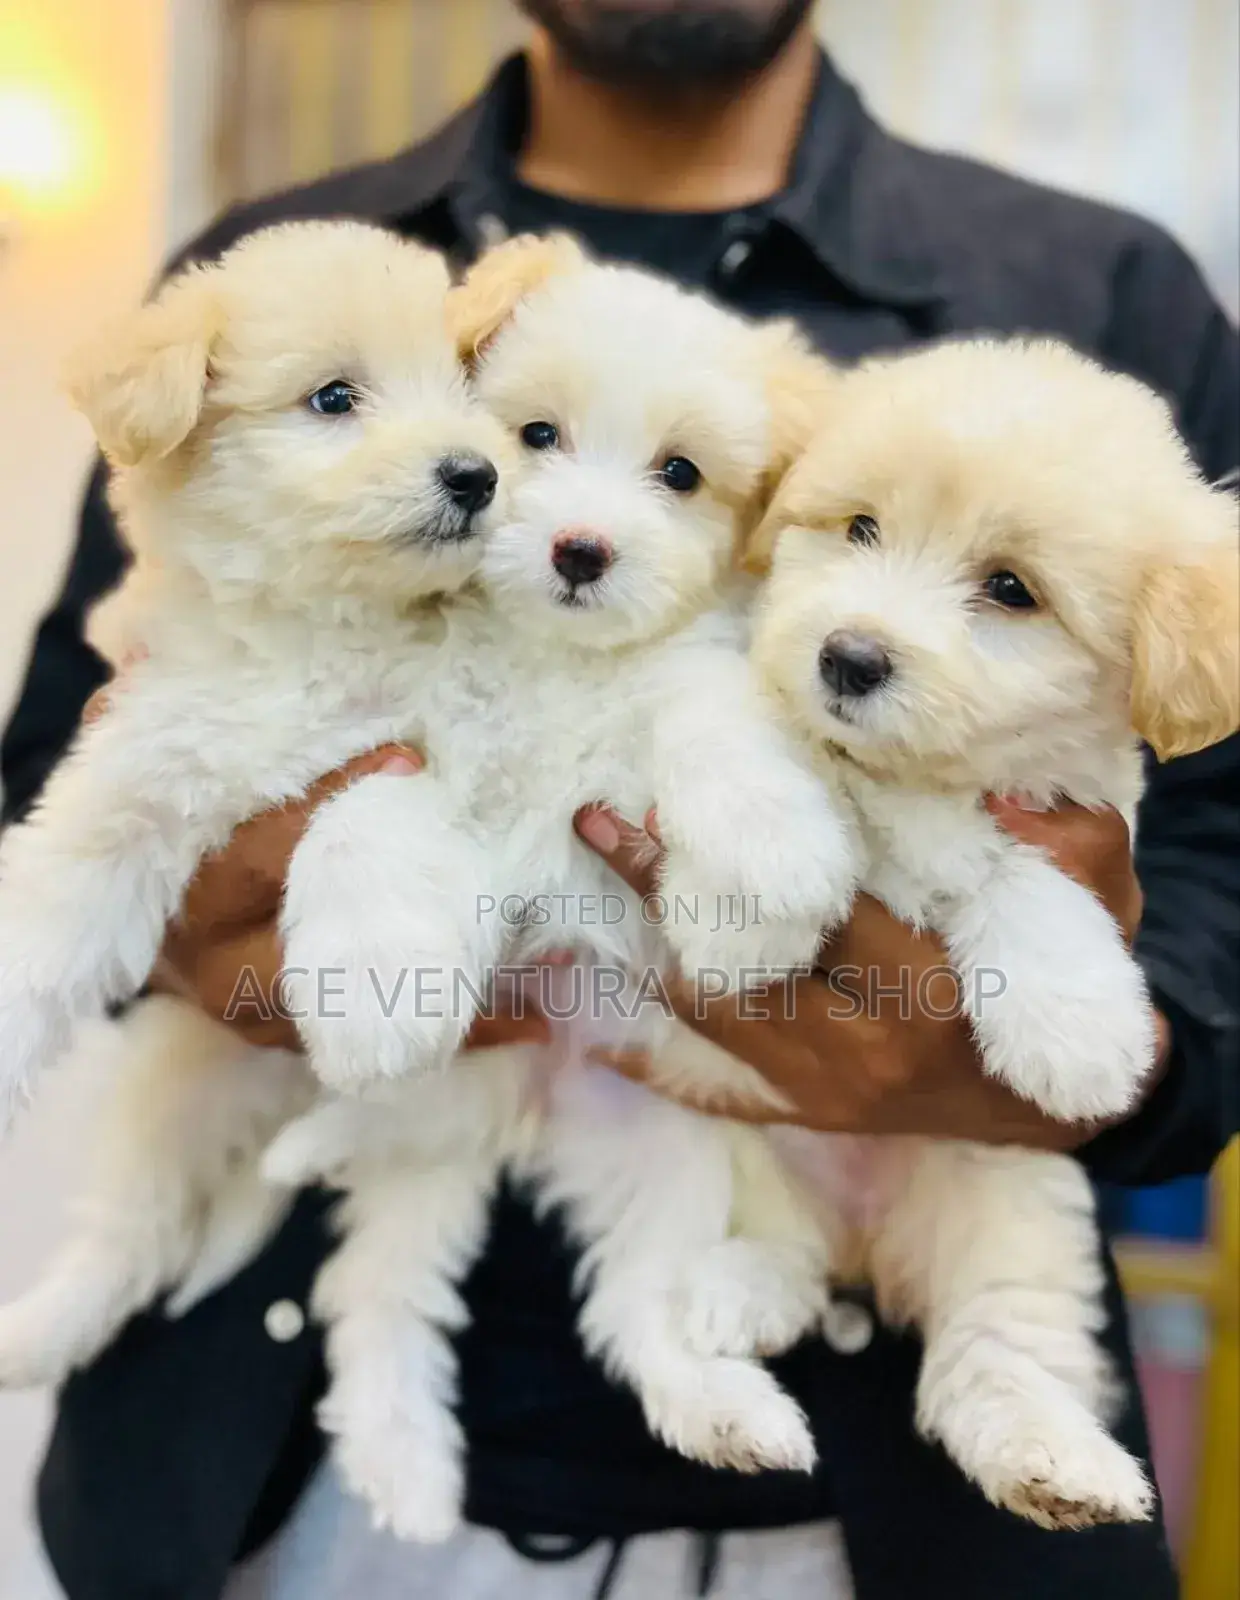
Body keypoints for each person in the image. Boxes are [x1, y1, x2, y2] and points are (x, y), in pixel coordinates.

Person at [3, 4, 1236, 1597]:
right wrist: (190, 924)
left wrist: (1062, 1036)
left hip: (869, 1513)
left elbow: (1220, 861)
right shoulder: (327, 270)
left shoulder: (1097, 294)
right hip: (274, 1468)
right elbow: (69, 744)